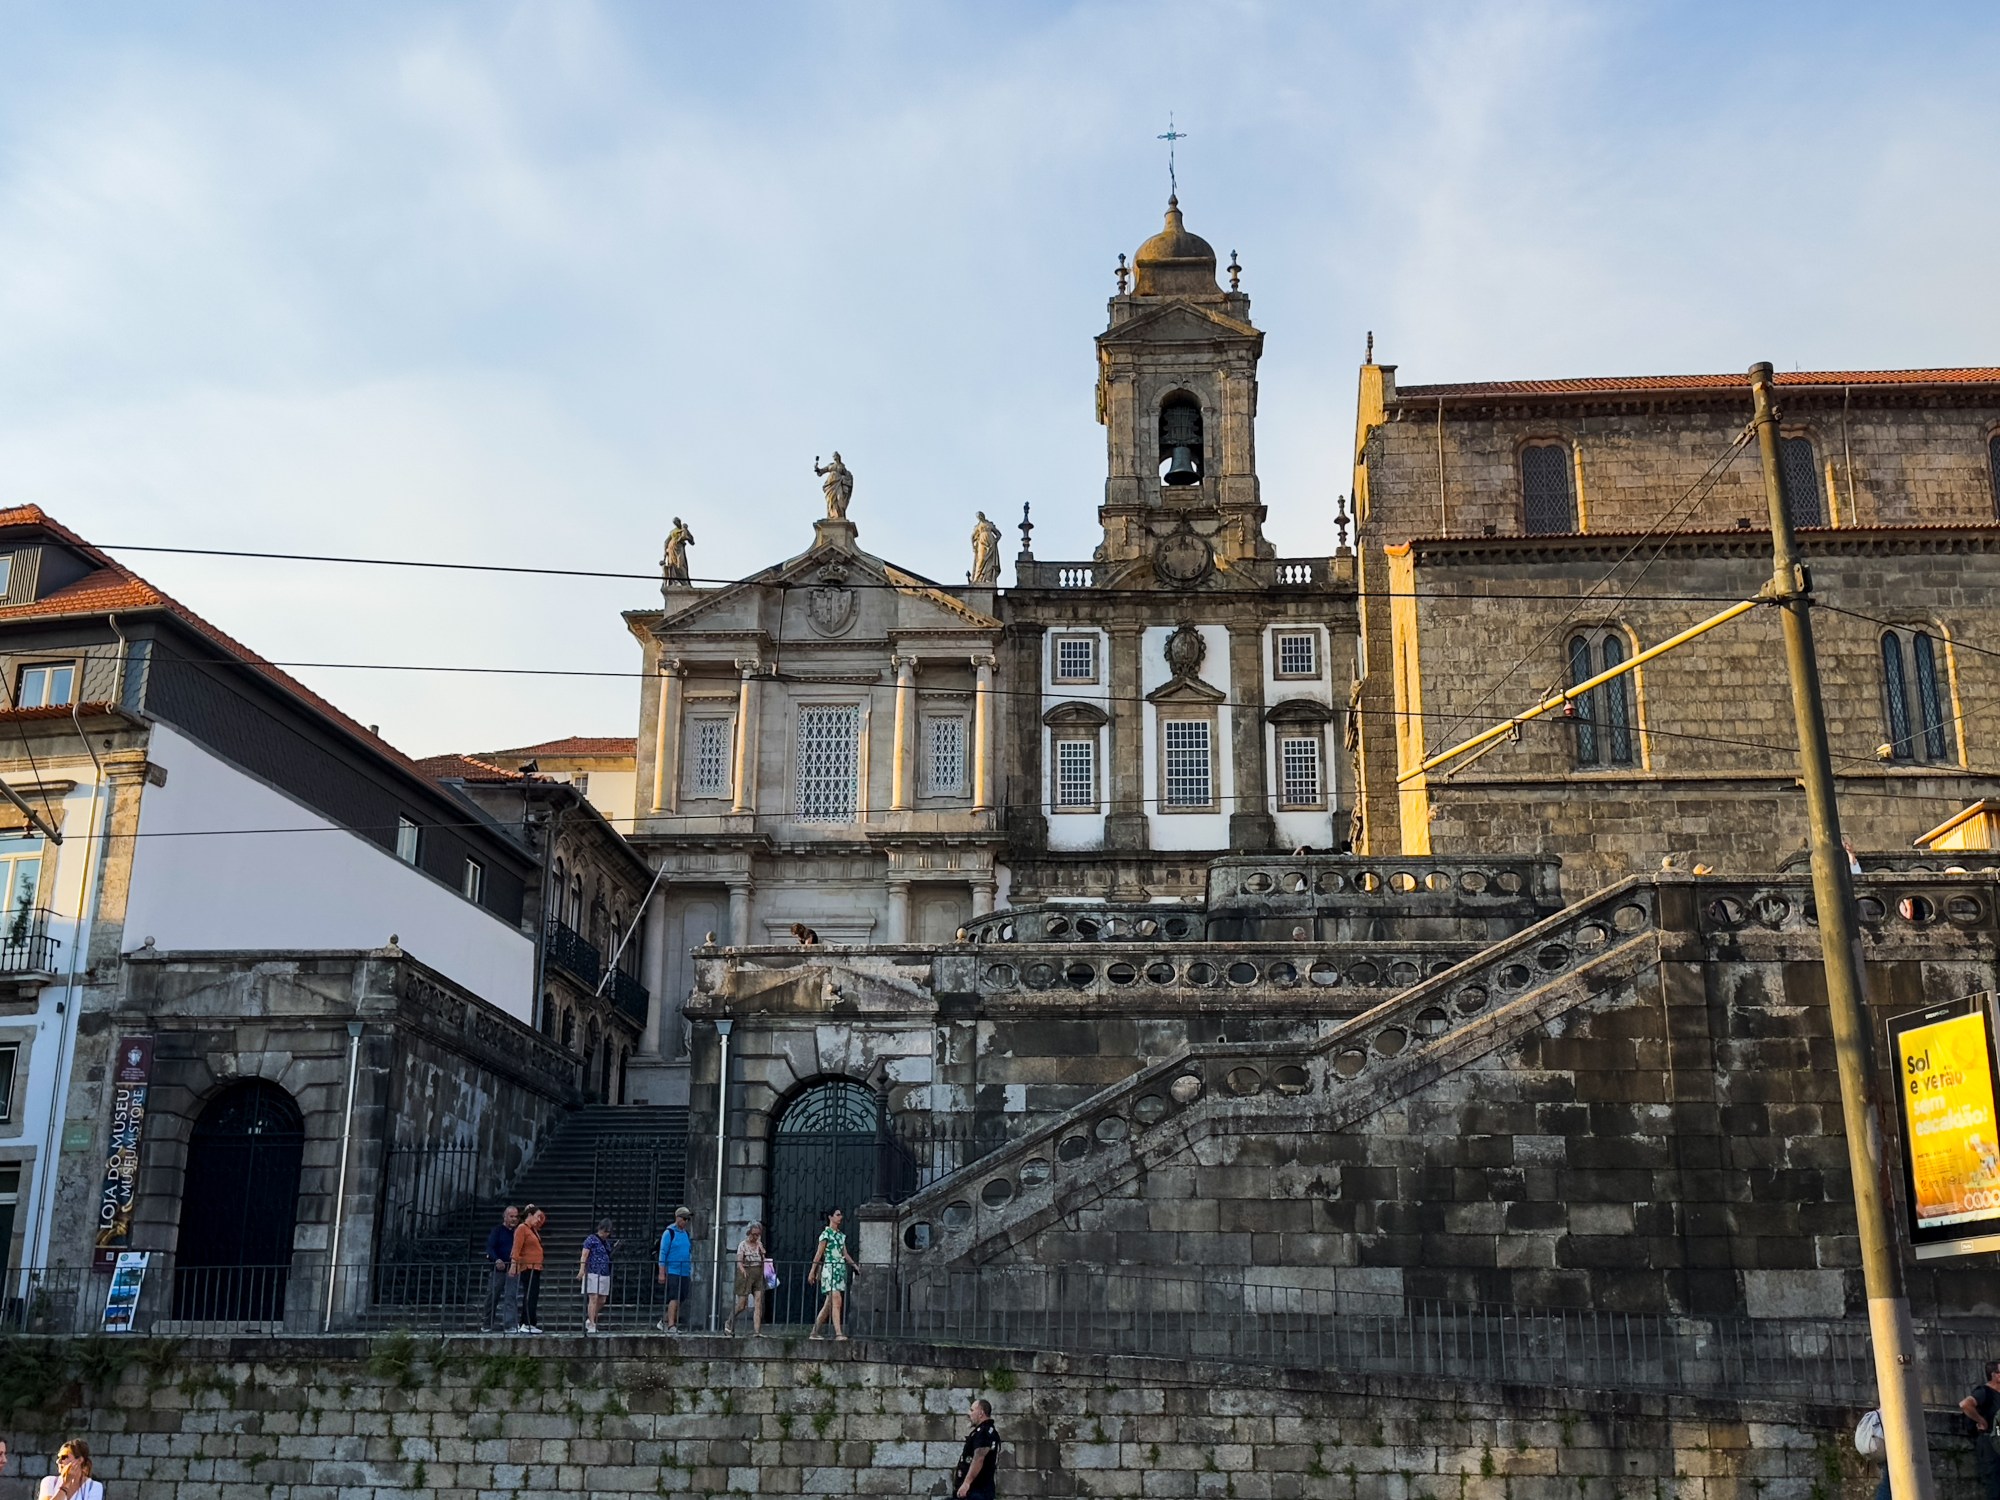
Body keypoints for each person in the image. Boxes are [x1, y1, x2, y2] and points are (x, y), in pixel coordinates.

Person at [807, 1205, 860, 1342]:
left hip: (839, 1269)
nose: (840, 1217)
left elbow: (845, 1254)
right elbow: (819, 1254)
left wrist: (854, 1266)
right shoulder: (826, 1234)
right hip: (830, 1269)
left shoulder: (840, 1236)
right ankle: (838, 1333)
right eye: (837, 1214)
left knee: (829, 1303)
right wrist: (812, 1271)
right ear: (830, 1217)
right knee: (836, 1300)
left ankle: (814, 1332)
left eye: (840, 1214)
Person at [1963, 1360, 2000, 1500]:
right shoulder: (1984, 1392)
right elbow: (1965, 1404)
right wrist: (1980, 1420)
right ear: (1995, 1375)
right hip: (1990, 1444)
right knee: (1995, 1487)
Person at [724, 1221, 768, 1336]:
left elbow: (763, 1258)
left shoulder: (759, 1244)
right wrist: (742, 1270)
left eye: (757, 1234)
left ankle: (757, 1331)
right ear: (749, 1233)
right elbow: (739, 1260)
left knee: (758, 1302)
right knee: (742, 1304)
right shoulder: (743, 1245)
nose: (755, 1237)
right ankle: (729, 1322)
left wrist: (762, 1251)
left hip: (757, 1273)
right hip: (746, 1274)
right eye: (753, 1234)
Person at [656, 1206, 694, 1334]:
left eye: (688, 1219)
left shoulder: (686, 1234)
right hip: (673, 1270)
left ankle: (665, 1320)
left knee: (682, 1297)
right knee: (674, 1297)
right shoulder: (669, 1233)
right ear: (677, 1218)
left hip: (684, 1271)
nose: (686, 1221)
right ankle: (671, 1325)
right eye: (684, 1218)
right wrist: (662, 1272)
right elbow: (663, 1252)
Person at [482, 1205, 519, 1333]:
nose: (514, 1219)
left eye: (516, 1216)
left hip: (513, 1267)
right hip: (498, 1268)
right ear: (505, 1217)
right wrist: (496, 1259)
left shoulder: (518, 1232)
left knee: (511, 1296)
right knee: (493, 1295)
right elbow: (490, 1247)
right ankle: (487, 1323)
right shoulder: (497, 1230)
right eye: (511, 1216)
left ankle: (510, 1324)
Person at [954, 1399, 1000, 1499]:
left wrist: (966, 1484)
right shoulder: (983, 1431)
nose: (968, 1414)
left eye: (971, 1410)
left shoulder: (984, 1432)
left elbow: (979, 1458)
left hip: (976, 1492)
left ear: (981, 1413)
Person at [511, 1204, 545, 1334]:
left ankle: (527, 1322)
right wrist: (514, 1264)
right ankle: (527, 1322)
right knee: (530, 1295)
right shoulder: (522, 1228)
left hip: (536, 1266)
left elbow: (542, 1220)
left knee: (533, 1295)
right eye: (536, 1216)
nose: (538, 1219)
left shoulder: (532, 1229)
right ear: (529, 1216)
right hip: (528, 1266)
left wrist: (535, 1209)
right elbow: (516, 1247)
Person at [579, 1219, 616, 1334]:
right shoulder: (591, 1239)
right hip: (593, 1271)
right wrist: (582, 1269)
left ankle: (591, 1317)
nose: (607, 1234)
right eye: (606, 1231)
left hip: (605, 1272)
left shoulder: (606, 1242)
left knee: (602, 1299)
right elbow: (584, 1254)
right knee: (593, 1298)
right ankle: (591, 1322)